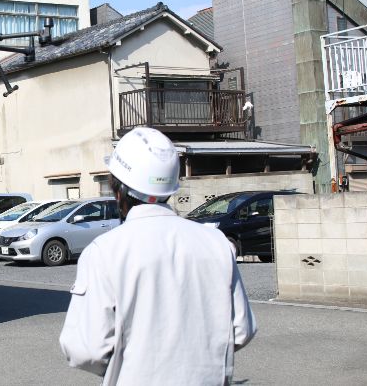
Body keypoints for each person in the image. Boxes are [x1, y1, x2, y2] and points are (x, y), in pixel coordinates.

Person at [59, 127, 256, 385]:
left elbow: (85, 349)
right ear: (170, 189)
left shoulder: (104, 252)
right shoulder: (216, 243)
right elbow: (241, 330)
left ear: (117, 190)